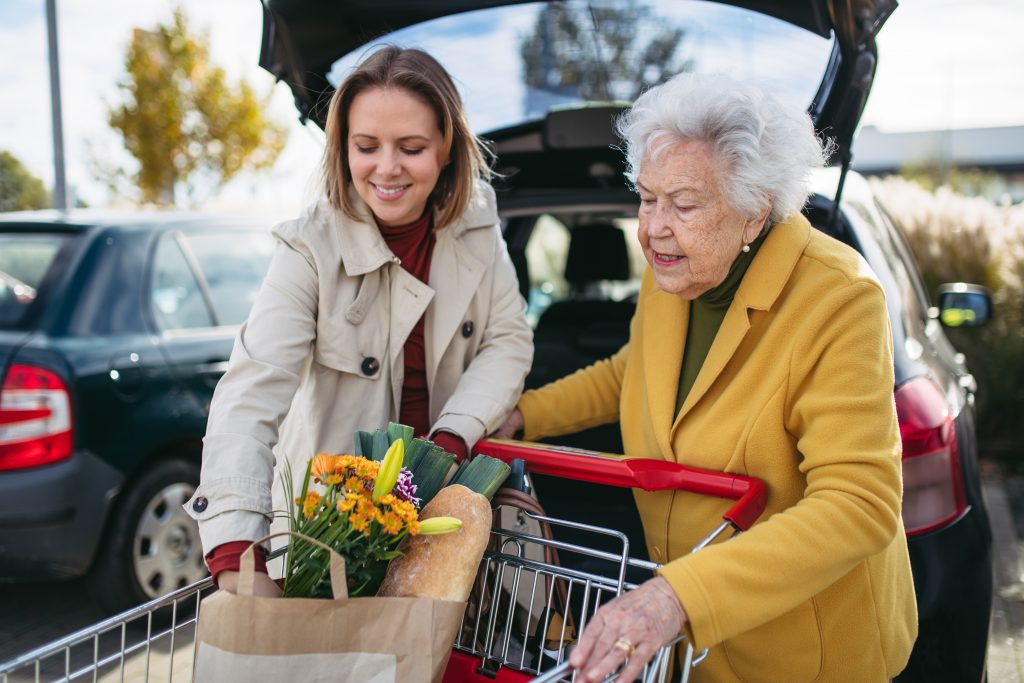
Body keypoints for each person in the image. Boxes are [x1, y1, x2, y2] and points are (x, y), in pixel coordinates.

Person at [496, 72, 917, 682]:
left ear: (754, 212)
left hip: (803, 653)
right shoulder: (672, 269)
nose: (653, 229)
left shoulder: (838, 297)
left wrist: (679, 596)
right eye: (647, 198)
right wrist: (524, 415)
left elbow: (859, 503)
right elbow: (633, 372)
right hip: (693, 647)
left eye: (684, 204)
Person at [185, 46, 532, 596]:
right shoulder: (307, 248)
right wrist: (235, 551)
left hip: (446, 512)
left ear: (446, 148)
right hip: (330, 533)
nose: (387, 168)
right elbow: (251, 393)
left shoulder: (478, 224)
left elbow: (508, 339)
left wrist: (451, 437)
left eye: (411, 148)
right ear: (341, 148)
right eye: (366, 147)